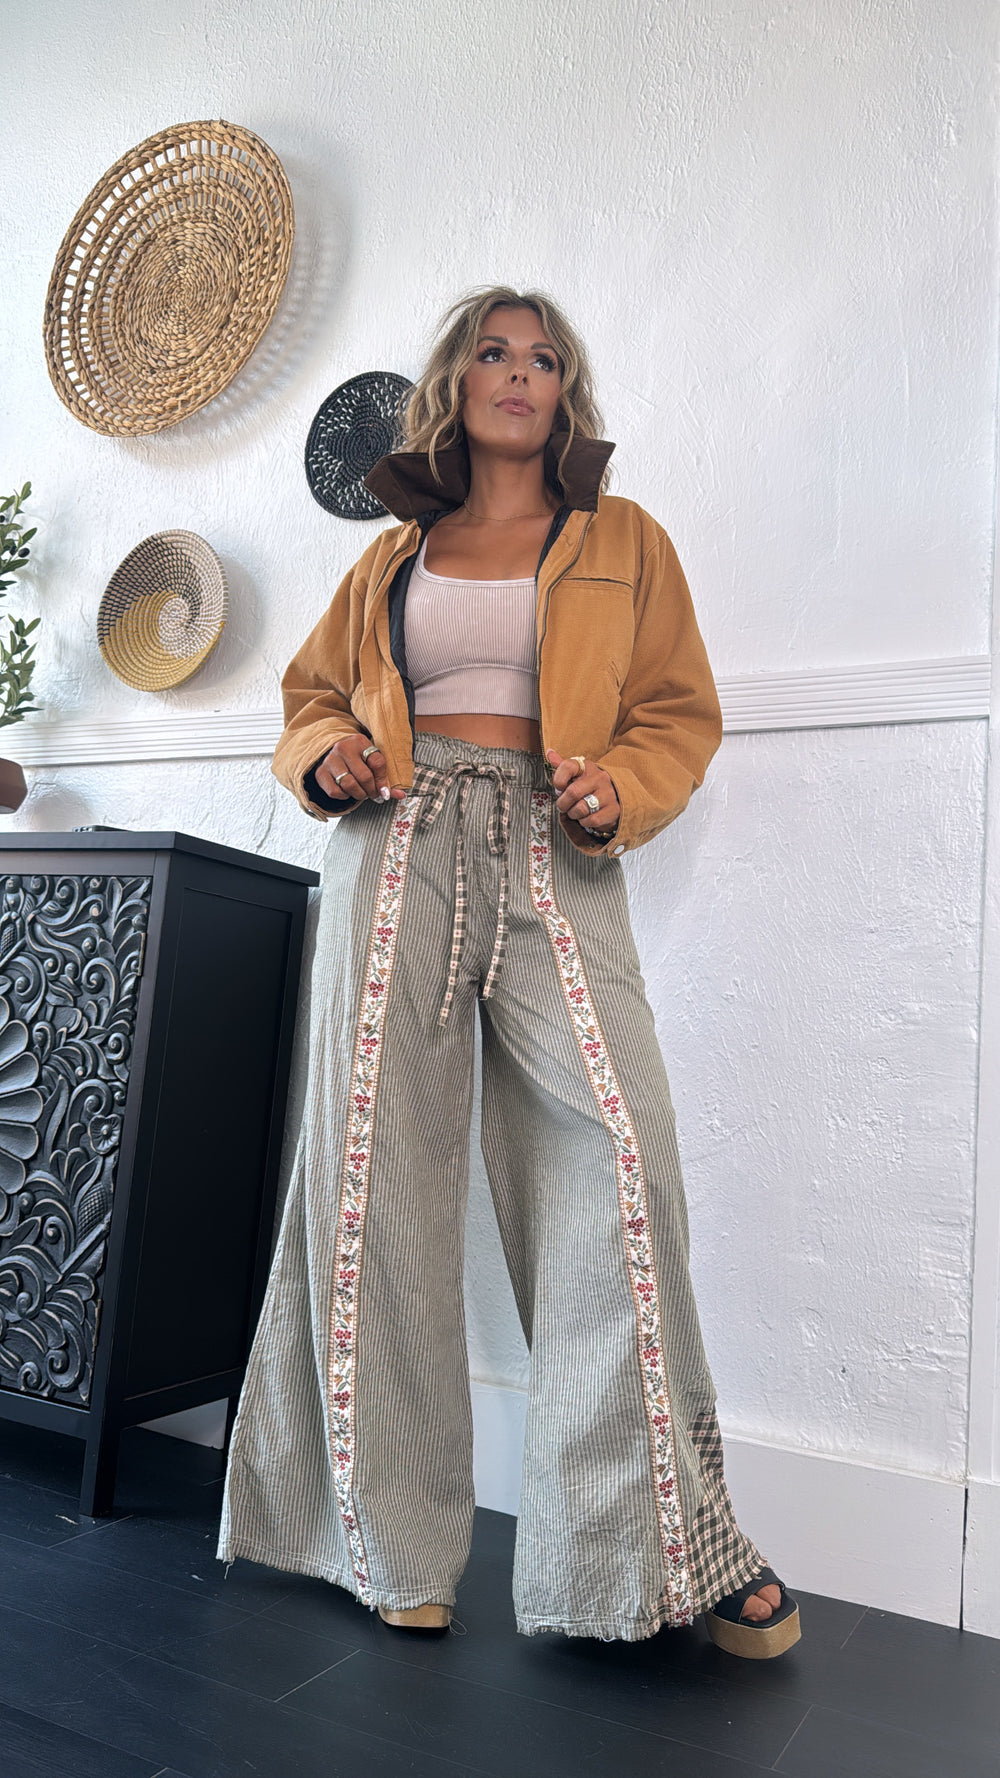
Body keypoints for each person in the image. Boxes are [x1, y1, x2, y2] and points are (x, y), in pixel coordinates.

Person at [217, 285, 801, 1659]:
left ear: (565, 391)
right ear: (457, 381)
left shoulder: (624, 538)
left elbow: (676, 712)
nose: (518, 372)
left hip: (554, 848)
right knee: (374, 1189)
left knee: (622, 1163)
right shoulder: (391, 555)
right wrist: (327, 757)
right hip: (396, 846)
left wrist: (621, 792)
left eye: (544, 357)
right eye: (493, 351)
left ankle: (664, 1551)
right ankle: (384, 1545)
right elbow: (310, 699)